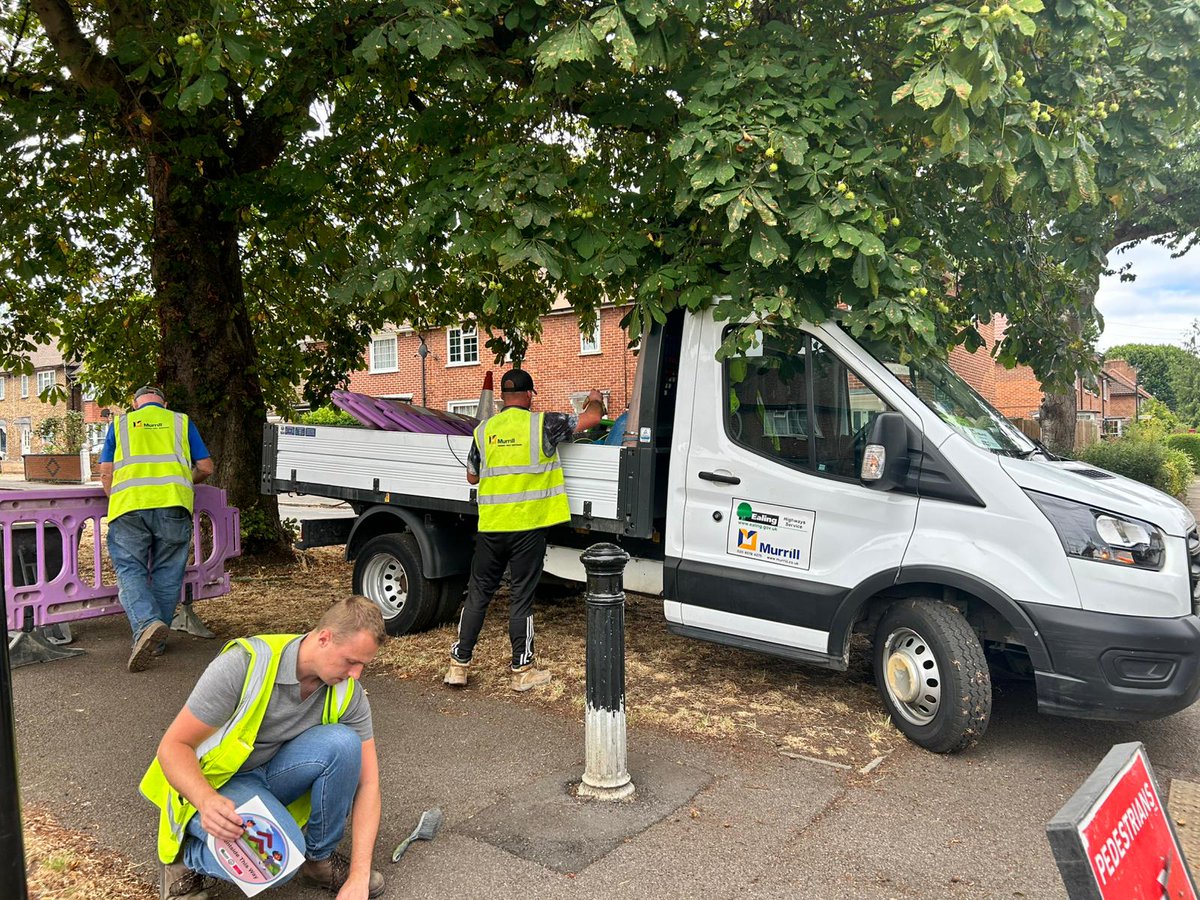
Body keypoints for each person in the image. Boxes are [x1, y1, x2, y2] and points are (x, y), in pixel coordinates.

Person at [140, 594, 388, 900]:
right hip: (210, 786)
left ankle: (318, 860)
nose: (355, 674)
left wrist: (359, 877)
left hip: (267, 775)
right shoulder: (244, 664)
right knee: (277, 865)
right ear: (324, 638)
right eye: (351, 661)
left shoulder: (347, 692)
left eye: (363, 665)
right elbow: (173, 746)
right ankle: (188, 858)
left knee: (344, 743)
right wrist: (205, 801)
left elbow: (369, 783)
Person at [444, 369, 604, 691]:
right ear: (530, 395)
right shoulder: (543, 424)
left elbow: (472, 478)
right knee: (520, 597)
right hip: (528, 528)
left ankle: (458, 666)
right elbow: (591, 420)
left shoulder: (484, 430)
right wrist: (596, 399)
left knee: (478, 595)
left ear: (503, 397)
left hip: (491, 528)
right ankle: (521, 670)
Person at [99, 384, 214, 672]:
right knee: (167, 573)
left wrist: (118, 498)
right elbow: (206, 467)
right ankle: (156, 641)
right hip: (173, 506)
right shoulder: (180, 421)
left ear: (134, 404)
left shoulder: (120, 424)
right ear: (165, 403)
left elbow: (105, 472)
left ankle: (148, 627)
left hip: (129, 507)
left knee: (130, 570)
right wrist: (183, 482)